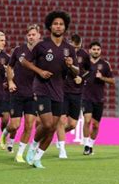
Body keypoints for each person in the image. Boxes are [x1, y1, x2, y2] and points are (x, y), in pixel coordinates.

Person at [22, 11, 78, 168]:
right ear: (50, 26)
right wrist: (40, 72)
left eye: (61, 24)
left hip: (59, 91)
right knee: (47, 124)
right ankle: (33, 145)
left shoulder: (69, 49)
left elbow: (76, 72)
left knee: (53, 127)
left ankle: (37, 157)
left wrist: (70, 65)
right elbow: (25, 62)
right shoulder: (42, 45)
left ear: (65, 27)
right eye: (55, 24)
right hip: (41, 88)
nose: (58, 26)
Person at [6, 24, 41, 163]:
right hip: (17, 92)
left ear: (39, 36)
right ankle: (5, 132)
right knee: (14, 125)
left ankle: (20, 153)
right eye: (29, 35)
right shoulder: (18, 50)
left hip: (33, 95)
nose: (31, 37)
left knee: (29, 125)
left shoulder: (42, 52)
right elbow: (9, 66)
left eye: (34, 34)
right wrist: (10, 81)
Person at [55, 34, 91, 159]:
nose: (75, 50)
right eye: (73, 47)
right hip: (62, 90)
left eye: (77, 48)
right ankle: (62, 149)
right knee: (61, 120)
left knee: (72, 125)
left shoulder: (84, 55)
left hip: (77, 92)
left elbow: (89, 71)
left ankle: (59, 134)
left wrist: (82, 78)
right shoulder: (62, 53)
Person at [81, 41, 115, 155]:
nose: (96, 51)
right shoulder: (84, 63)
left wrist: (102, 78)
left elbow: (112, 81)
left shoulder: (105, 64)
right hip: (86, 97)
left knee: (95, 125)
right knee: (87, 120)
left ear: (100, 51)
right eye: (94, 49)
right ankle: (86, 145)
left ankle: (91, 144)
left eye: (98, 49)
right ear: (89, 50)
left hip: (99, 98)